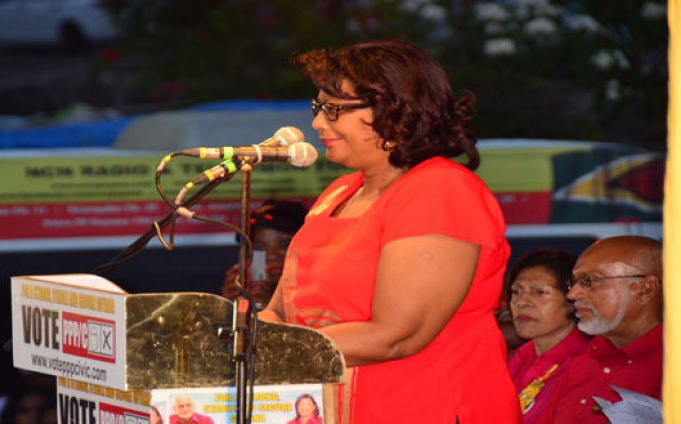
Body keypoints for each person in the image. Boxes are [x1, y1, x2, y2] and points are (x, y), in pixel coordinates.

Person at [259, 40, 519, 423]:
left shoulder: (441, 190)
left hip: (426, 408)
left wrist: (260, 349)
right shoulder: (339, 192)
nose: (317, 123)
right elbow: (283, 311)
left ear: (394, 110)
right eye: (318, 108)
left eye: (333, 109)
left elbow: (397, 335)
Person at [535, 235, 663, 423]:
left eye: (589, 281)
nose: (572, 294)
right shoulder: (584, 361)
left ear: (645, 289)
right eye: (575, 282)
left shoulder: (671, 364)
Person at [506, 249, 591, 423]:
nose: (522, 302)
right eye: (516, 292)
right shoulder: (517, 358)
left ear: (572, 300)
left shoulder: (586, 364)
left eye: (540, 292)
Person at [220, 199, 307, 308]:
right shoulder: (247, 298)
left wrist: (270, 310)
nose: (270, 256)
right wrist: (226, 309)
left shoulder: (320, 300)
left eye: (284, 244)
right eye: (259, 248)